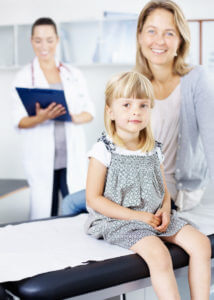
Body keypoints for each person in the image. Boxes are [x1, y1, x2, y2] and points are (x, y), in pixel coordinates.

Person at [62, 0, 214, 215]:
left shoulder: (197, 79)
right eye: (152, 31)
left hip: (170, 188)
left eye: (169, 33)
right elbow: (116, 139)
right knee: (70, 202)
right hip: (128, 179)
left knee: (80, 205)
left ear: (180, 40)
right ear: (140, 36)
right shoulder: (134, 83)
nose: (159, 40)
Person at [85, 71, 211, 300]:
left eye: (143, 105)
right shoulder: (103, 150)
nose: (136, 111)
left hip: (154, 216)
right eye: (126, 104)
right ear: (110, 111)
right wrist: (139, 217)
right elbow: (94, 199)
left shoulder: (154, 149)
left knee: (201, 244)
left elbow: (162, 189)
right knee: (159, 255)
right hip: (120, 221)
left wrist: (164, 210)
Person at [12, 18, 95, 219]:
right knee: (44, 215)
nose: (44, 46)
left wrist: (72, 116)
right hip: (42, 160)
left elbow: (89, 112)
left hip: (70, 159)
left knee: (77, 213)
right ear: (32, 41)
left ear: (57, 40)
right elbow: (19, 121)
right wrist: (40, 118)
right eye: (38, 40)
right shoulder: (23, 77)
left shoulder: (73, 74)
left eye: (49, 40)